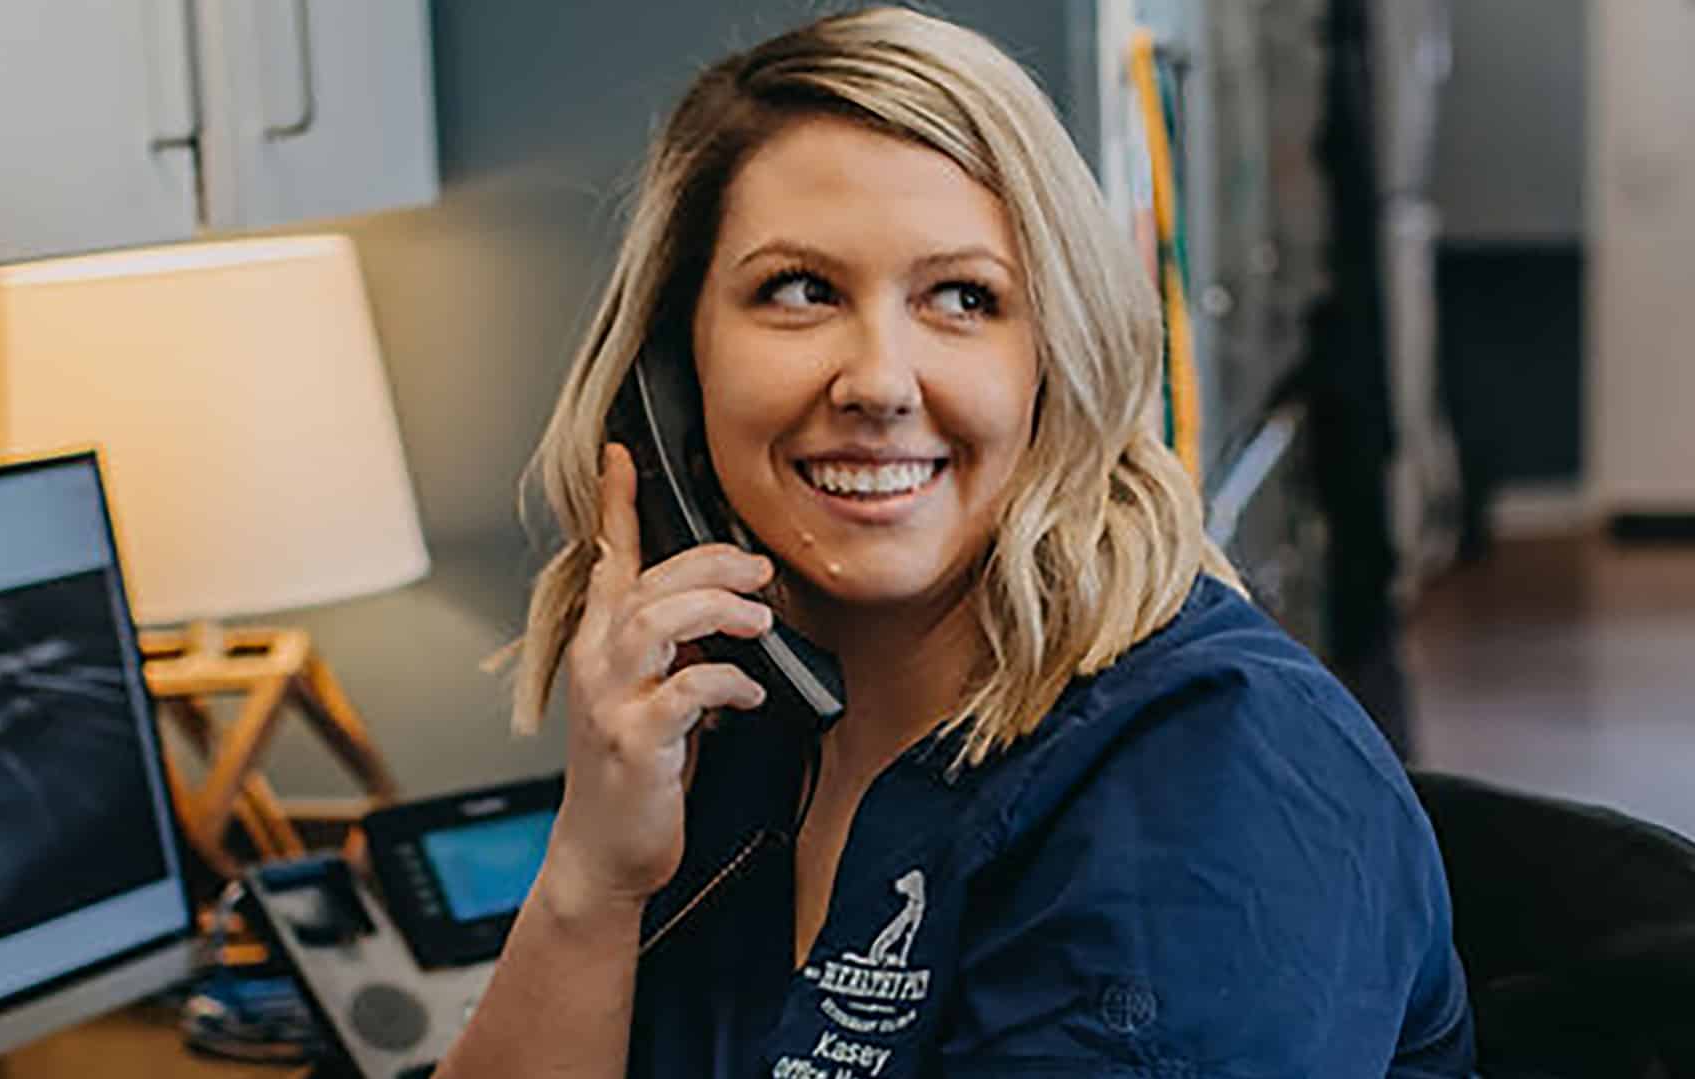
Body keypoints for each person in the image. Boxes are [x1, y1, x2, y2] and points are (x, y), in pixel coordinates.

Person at [443, 7, 1473, 1076]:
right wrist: (590, 876)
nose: (879, 381)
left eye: (962, 298)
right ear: (673, 370)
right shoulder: (733, 729)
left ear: (1054, 355)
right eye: (798, 291)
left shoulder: (1207, 770)